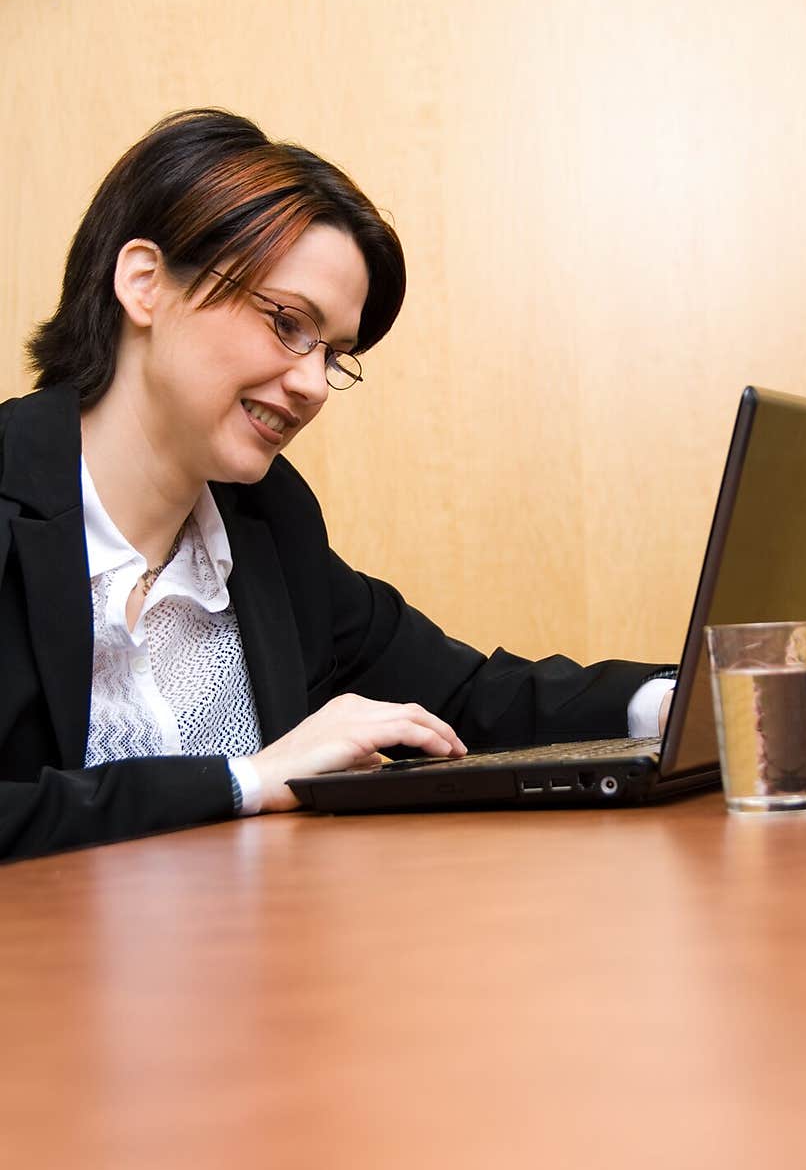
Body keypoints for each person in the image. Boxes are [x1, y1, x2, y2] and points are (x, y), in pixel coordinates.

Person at [0, 108, 677, 861]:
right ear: (146, 283)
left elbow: (462, 698)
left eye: (334, 353)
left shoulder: (267, 522)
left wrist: (676, 706)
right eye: (289, 323)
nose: (314, 383)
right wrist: (249, 779)